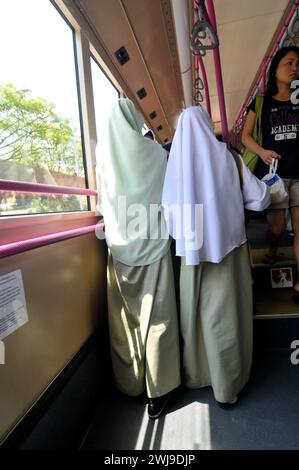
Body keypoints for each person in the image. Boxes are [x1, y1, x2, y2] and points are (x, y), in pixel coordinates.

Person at [162, 105, 270, 405]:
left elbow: (169, 217)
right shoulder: (230, 157)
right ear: (209, 127)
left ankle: (197, 375)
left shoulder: (174, 165)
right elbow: (259, 200)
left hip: (191, 256)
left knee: (197, 316)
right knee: (226, 317)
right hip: (229, 250)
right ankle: (227, 387)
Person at [97, 98, 180, 419]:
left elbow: (104, 204)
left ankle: (130, 384)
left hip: (119, 248)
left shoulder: (102, 156)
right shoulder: (156, 154)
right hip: (154, 246)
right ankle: (159, 392)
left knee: (125, 322)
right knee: (158, 319)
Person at [242, 46, 299, 291]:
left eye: (298, 64)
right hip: (274, 176)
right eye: (289, 63)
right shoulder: (261, 102)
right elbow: (245, 136)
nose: (294, 68)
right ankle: (274, 248)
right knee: (276, 227)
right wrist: (263, 152)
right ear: (275, 69)